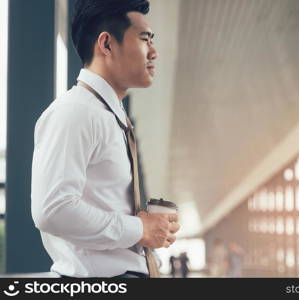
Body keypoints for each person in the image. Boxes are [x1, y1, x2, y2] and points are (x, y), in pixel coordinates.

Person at [31, 0, 180, 278]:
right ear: (107, 44)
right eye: (145, 39)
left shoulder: (110, 116)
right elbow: (52, 209)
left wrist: (150, 229)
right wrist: (141, 229)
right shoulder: (75, 112)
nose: (154, 52)